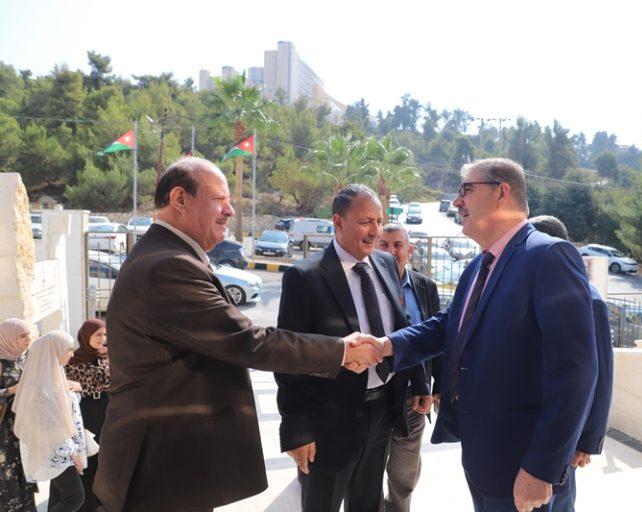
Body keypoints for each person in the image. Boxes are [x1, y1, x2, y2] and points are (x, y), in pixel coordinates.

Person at [92, 157, 383, 512]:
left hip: (171, 461)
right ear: (180, 199)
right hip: (159, 466)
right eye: (220, 199)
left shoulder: (169, 255)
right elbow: (248, 341)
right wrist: (341, 351)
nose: (230, 211)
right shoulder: (167, 266)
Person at [365, 158, 598, 512]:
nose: (456, 201)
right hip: (483, 457)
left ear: (502, 192)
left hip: (522, 463)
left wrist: (543, 467)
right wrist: (386, 345)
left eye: (466, 190)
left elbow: (575, 370)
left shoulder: (549, 256)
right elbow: (449, 325)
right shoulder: (479, 264)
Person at [275, 185, 426, 512]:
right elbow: (289, 358)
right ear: (338, 222)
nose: (375, 231)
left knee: (368, 504)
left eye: (379, 221)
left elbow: (401, 327)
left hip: (382, 412)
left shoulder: (386, 264)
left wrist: (419, 382)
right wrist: (296, 428)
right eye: (365, 222)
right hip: (328, 423)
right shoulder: (305, 277)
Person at [528, 215, 614, 512]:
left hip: (565, 429)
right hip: (531, 423)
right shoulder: (540, 290)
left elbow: (600, 375)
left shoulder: (589, 299)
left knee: (557, 500)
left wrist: (587, 440)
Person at [377, 224, 442, 512]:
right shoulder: (366, 284)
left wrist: (436, 385)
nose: (391, 251)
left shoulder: (425, 287)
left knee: (405, 471)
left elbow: (437, 338)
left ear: (409, 250)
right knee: (368, 469)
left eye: (397, 245)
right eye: (384, 245)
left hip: (413, 397)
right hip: (375, 396)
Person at [14, 330, 87, 512]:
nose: (72, 354)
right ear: (55, 350)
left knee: (61, 497)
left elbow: (66, 410)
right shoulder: (39, 385)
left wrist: (76, 390)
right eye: (68, 349)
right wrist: (72, 453)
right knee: (74, 497)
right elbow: (48, 426)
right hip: (56, 450)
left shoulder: (54, 374)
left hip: (63, 448)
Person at [64, 319, 110, 512]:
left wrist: (84, 387)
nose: (102, 339)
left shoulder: (109, 355)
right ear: (86, 335)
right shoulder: (72, 360)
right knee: (89, 455)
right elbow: (66, 387)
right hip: (85, 411)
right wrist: (81, 388)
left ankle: (104, 502)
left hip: (107, 408)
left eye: (104, 335)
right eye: (98, 334)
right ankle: (88, 504)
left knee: (106, 455)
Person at [0, 318, 38, 512]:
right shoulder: (1, 363)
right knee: (8, 481)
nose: (28, 339)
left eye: (28, 334)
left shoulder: (26, 358)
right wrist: (10, 390)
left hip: (25, 428)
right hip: (4, 432)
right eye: (22, 336)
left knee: (26, 477)